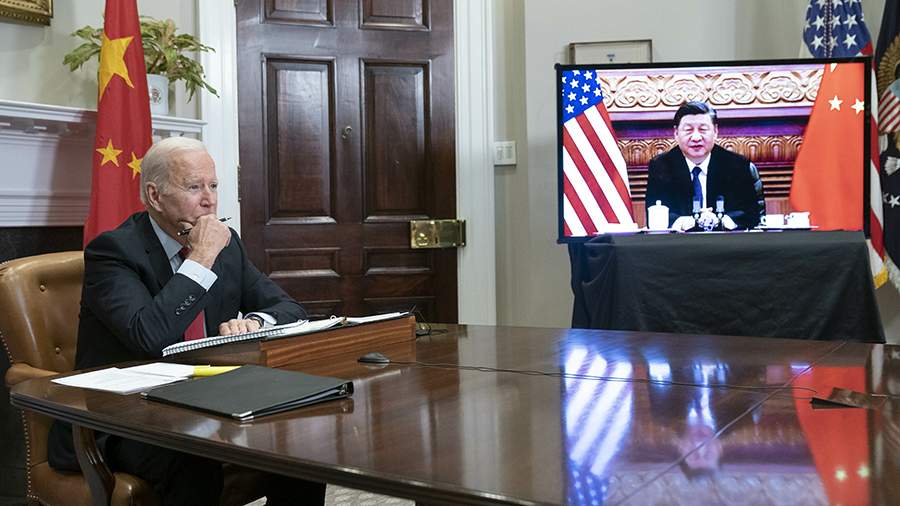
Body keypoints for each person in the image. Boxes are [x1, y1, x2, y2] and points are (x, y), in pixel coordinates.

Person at [47, 136, 324, 505]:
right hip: (122, 417)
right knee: (193, 454)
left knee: (300, 435)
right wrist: (201, 257)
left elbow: (289, 309)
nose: (209, 200)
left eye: (213, 186)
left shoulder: (228, 245)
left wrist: (255, 322)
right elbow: (149, 337)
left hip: (208, 401)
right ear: (155, 196)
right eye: (194, 187)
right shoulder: (114, 252)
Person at [645, 101, 765, 231]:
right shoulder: (661, 166)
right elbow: (655, 214)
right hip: (680, 242)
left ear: (715, 131)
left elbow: (750, 214)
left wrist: (721, 220)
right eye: (688, 130)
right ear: (676, 133)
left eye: (703, 130)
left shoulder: (737, 165)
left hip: (728, 241)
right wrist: (685, 222)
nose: (696, 137)